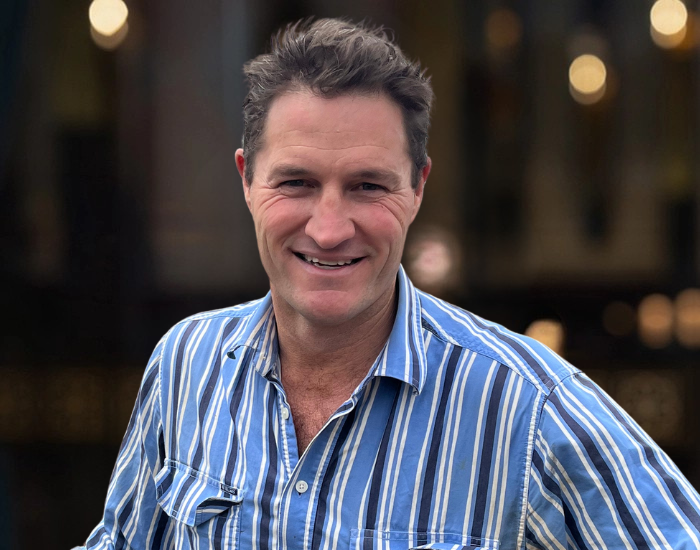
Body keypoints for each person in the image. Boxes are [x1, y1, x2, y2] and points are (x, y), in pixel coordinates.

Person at [79, 18, 700, 550]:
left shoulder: (530, 408)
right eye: (295, 183)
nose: (328, 229)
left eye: (367, 186)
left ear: (417, 187)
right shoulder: (186, 364)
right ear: (247, 180)